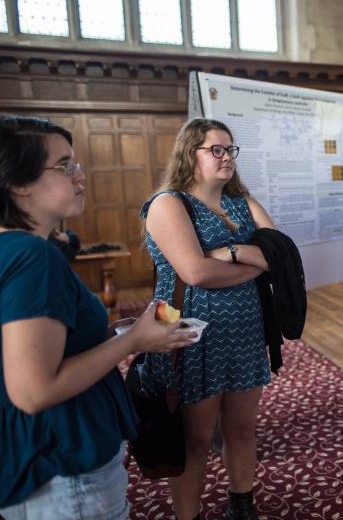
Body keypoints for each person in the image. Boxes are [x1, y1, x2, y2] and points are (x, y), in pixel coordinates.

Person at [0, 115, 192, 519]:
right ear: (18, 183)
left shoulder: (6, 247)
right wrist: (134, 341)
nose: (80, 175)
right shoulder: (33, 257)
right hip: (62, 458)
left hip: (28, 453)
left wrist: (126, 330)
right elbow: (33, 390)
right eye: (65, 166)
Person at [140, 118, 275, 520]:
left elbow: (279, 254)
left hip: (245, 332)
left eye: (230, 149)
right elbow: (195, 274)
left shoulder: (242, 202)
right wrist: (250, 260)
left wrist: (227, 254)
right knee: (194, 439)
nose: (226, 157)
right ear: (189, 153)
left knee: (242, 430)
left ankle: (242, 506)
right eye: (215, 149)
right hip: (188, 333)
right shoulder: (168, 204)